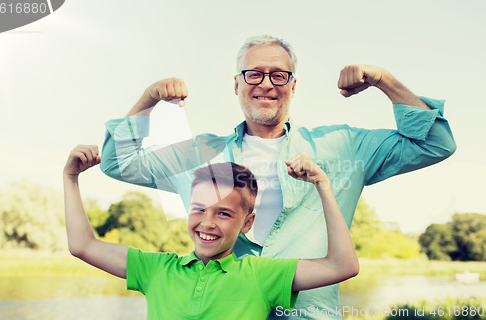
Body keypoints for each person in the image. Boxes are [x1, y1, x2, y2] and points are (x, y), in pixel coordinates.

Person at [100, 35, 456, 319]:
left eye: (278, 75)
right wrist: (148, 98)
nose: (266, 84)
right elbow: (119, 162)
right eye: (253, 74)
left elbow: (436, 143)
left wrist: (383, 80)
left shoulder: (342, 146)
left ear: (293, 85)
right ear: (236, 84)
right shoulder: (196, 154)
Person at [63, 145, 359, 320]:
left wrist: (323, 185)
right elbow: (82, 245)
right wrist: (70, 177)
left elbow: (342, 266)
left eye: (224, 213)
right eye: (199, 209)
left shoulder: (260, 274)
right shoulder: (156, 270)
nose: (207, 222)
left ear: (247, 223)